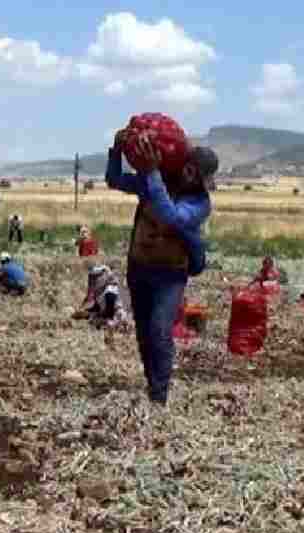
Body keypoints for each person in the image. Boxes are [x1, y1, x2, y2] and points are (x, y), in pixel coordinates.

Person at [106, 129, 216, 406]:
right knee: (144, 332)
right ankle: (151, 382)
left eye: (196, 173)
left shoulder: (200, 203)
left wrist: (152, 174)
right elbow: (115, 180)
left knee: (159, 330)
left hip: (170, 275)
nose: (190, 176)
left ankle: (159, 395)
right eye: (189, 169)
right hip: (139, 267)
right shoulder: (157, 181)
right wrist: (116, 151)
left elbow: (173, 218)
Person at [77, 263, 127, 329]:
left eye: (95, 277)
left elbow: (109, 313)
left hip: (117, 316)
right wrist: (84, 313)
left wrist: (89, 315)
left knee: (99, 322)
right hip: (110, 315)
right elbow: (97, 307)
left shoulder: (110, 290)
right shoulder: (100, 291)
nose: (92, 281)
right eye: (92, 277)